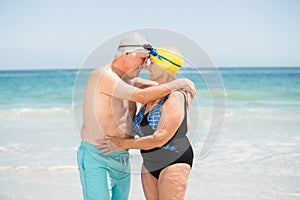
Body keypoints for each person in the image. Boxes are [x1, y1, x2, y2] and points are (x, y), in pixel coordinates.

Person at [77, 32, 196, 200]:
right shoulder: (102, 75)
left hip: (122, 155)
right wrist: (179, 82)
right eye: (142, 59)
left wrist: (184, 89)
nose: (145, 65)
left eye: (149, 61)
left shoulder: (129, 79)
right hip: (98, 154)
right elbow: (140, 96)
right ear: (127, 54)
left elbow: (159, 87)